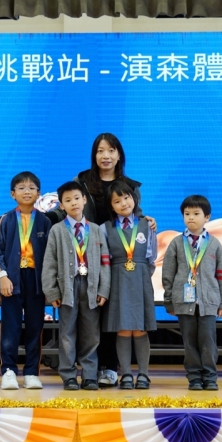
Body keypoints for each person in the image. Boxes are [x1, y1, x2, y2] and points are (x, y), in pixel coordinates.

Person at [46, 132, 156, 387]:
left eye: (111, 150)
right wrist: (48, 217)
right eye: (100, 151)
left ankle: (111, 367)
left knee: (115, 317)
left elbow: (136, 218)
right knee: (93, 319)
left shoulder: (131, 185)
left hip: (119, 260)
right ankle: (86, 370)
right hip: (86, 256)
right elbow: (67, 206)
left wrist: (148, 220)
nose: (106, 156)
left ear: (119, 155)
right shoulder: (83, 181)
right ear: (94, 155)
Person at [42, 181, 110, 391]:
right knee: (67, 334)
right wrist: (52, 291)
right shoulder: (57, 230)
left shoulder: (96, 230)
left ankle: (89, 375)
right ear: (61, 205)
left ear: (84, 200)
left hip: (91, 287)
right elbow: (49, 263)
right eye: (68, 200)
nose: (73, 203)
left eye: (77, 198)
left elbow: (105, 262)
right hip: (67, 289)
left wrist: (103, 289)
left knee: (91, 334)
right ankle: (68, 375)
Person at [161, 195, 222, 391]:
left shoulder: (214, 243)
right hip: (183, 302)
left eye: (196, 213)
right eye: (187, 213)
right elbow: (168, 274)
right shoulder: (176, 243)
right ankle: (194, 377)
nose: (191, 217)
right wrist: (169, 301)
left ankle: (210, 376)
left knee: (208, 341)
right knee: (189, 342)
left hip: (209, 302)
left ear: (207, 217)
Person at [0, 172, 52, 390]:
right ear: (12, 194)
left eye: (32, 188)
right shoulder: (6, 219)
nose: (27, 191)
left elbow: (51, 256)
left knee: (35, 328)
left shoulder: (45, 221)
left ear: (38, 193)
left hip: (36, 281)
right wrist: (3, 276)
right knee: (11, 328)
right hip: (12, 280)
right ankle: (8, 371)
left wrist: (49, 284)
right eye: (22, 188)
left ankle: (31, 373)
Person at [100, 181, 158, 390]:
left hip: (141, 280)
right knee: (123, 329)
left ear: (134, 199)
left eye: (127, 198)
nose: (123, 203)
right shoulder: (104, 228)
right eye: (117, 201)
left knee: (140, 329)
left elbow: (152, 258)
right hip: (117, 280)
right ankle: (125, 374)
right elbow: (103, 259)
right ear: (111, 206)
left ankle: (143, 374)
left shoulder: (147, 225)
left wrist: (140, 276)